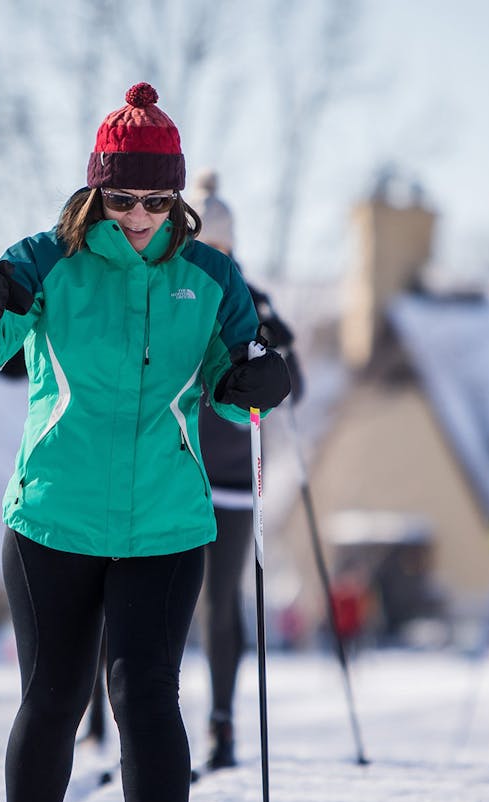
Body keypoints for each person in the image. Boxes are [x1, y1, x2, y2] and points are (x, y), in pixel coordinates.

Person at [0, 83, 291, 802]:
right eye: (123, 196)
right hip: (54, 516)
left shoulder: (209, 276)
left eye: (157, 199)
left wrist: (259, 383)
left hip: (165, 525)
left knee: (145, 696)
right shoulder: (46, 259)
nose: (138, 214)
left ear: (177, 200)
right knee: (54, 694)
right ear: (96, 189)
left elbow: (239, 369)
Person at [190, 170, 305, 770]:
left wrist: (279, 347)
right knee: (153, 597)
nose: (212, 256)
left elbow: (294, 389)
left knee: (219, 603)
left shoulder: (249, 298)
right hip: (176, 467)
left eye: (220, 247)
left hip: (232, 478)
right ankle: (119, 726)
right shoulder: (174, 289)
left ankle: (222, 723)